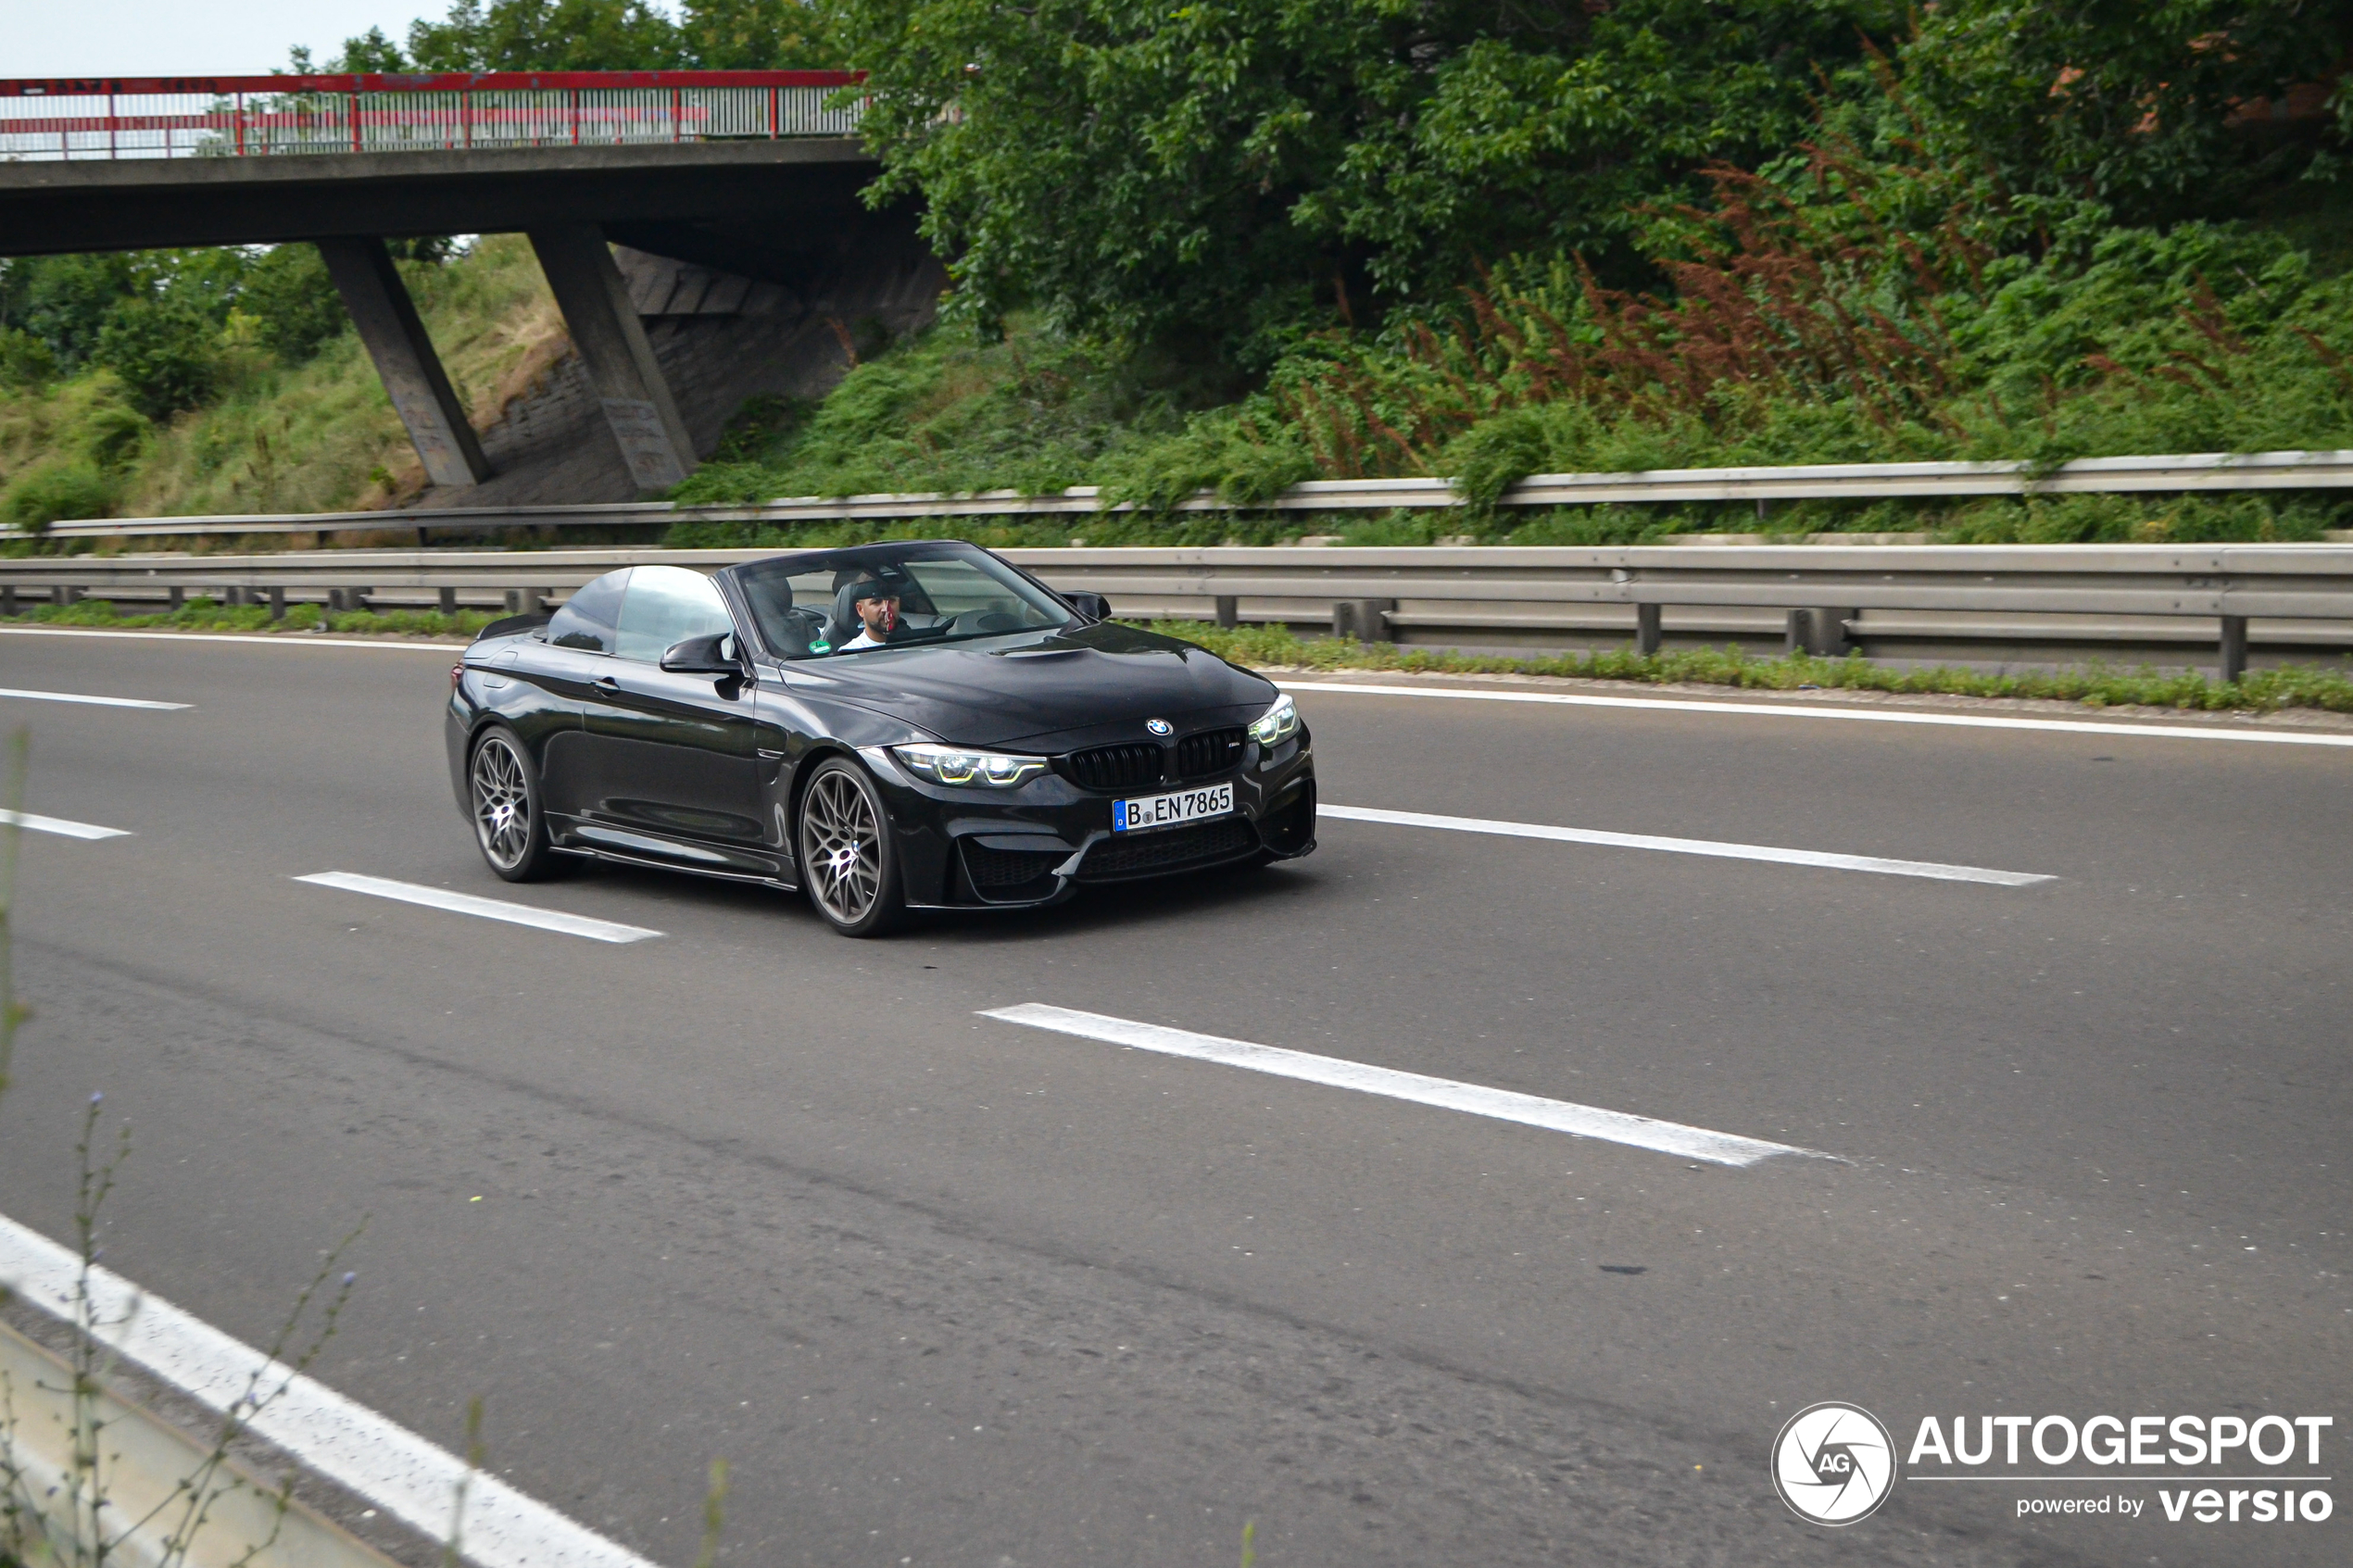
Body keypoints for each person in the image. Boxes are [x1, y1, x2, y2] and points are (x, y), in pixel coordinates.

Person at [838, 579, 910, 650]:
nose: (886, 609)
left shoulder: (915, 645)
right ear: (860, 609)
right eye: (876, 602)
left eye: (891, 600)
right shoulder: (850, 654)